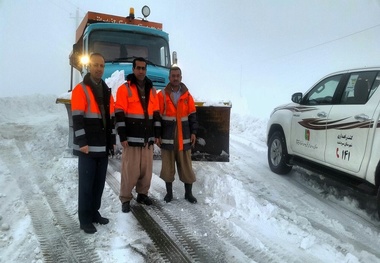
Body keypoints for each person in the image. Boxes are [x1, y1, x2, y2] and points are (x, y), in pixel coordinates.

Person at [71, 53, 116, 234]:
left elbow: (110, 119)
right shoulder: (81, 89)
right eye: (96, 65)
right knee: (86, 186)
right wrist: (82, 142)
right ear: (90, 67)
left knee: (98, 185)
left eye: (102, 66)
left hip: (102, 147)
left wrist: (111, 142)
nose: (99, 69)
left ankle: (94, 212)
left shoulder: (106, 89)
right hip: (88, 147)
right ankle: (84, 219)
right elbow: (77, 119)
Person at [115, 57, 161, 213]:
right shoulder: (125, 89)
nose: (141, 71)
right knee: (130, 171)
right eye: (138, 68)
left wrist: (156, 134)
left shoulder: (152, 90)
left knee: (145, 172)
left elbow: (156, 114)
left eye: (143, 68)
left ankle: (142, 194)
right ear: (133, 69)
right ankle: (126, 198)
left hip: (147, 139)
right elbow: (119, 113)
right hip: (132, 139)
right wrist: (122, 136)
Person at [157, 66, 198, 204]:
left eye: (178, 76)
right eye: (173, 75)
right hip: (167, 136)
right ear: (169, 78)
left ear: (181, 77)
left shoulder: (187, 95)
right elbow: (157, 117)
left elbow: (192, 115)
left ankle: (188, 193)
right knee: (168, 167)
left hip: (184, 136)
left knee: (186, 166)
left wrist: (193, 132)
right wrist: (157, 135)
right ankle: (169, 194)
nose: (175, 78)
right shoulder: (161, 95)